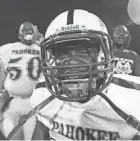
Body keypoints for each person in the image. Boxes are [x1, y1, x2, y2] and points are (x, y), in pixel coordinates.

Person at [29, 9, 140, 140]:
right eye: (62, 53)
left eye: (84, 52)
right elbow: (42, 129)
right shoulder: (41, 94)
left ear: (103, 54)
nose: (73, 63)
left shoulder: (133, 96)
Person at [0, 21, 44, 139]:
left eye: (31, 30)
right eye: (24, 30)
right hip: (13, 101)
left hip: (35, 102)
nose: (28, 32)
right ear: (19, 35)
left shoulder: (42, 49)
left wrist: (42, 41)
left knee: (33, 137)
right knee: (12, 136)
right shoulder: (9, 48)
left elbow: (54, 59)